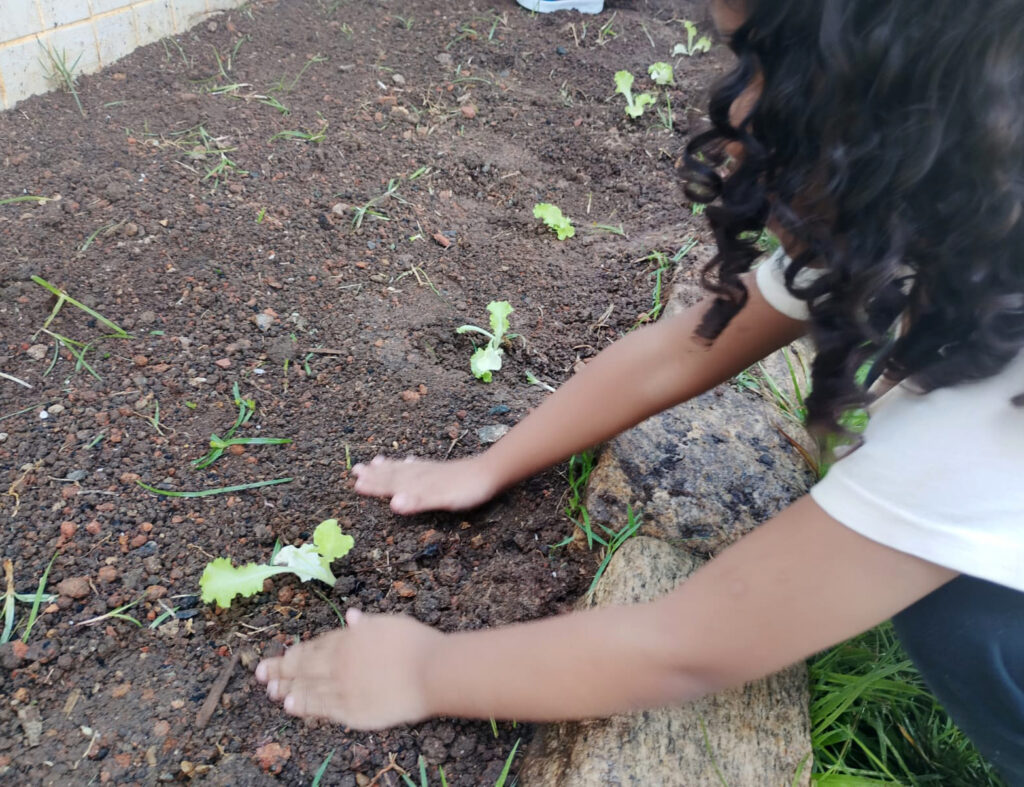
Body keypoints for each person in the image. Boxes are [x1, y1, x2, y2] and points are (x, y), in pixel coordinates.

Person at [256, 0, 1024, 776]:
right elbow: (685, 348)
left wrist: (422, 671)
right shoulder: (946, 208)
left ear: (913, 105)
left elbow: (686, 647)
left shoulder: (993, 418)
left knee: (966, 612)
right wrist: (488, 464)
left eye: (763, 60)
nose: (735, 107)